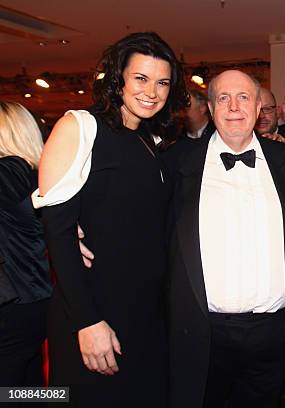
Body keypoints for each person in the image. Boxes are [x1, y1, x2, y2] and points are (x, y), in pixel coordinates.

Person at [33, 32, 188, 407]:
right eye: (141, 78)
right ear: (118, 78)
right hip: (97, 312)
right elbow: (57, 229)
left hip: (147, 316)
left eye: (162, 82)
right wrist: (87, 322)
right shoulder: (80, 126)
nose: (152, 91)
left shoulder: (150, 139)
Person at [166, 69, 285, 408]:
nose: (234, 107)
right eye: (223, 98)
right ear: (210, 107)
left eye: (243, 97)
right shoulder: (176, 164)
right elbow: (139, 225)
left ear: (260, 107)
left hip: (275, 334)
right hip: (204, 334)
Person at [0, 102, 52, 389]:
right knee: (27, 387)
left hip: (11, 305)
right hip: (36, 298)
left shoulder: (5, 172)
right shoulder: (36, 172)